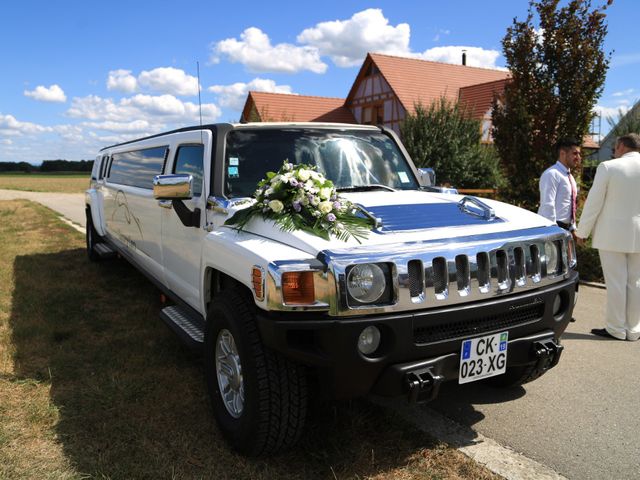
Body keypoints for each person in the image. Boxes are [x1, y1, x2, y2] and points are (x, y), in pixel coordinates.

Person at [575, 133, 640, 341]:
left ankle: (616, 329)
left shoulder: (609, 167)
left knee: (616, 282)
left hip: (612, 234)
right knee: (636, 282)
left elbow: (594, 202)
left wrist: (582, 231)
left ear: (621, 146)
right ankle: (634, 329)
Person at [538, 138, 581, 235]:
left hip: (565, 230)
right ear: (562, 154)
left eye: (579, 154)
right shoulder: (552, 174)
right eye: (575, 153)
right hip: (552, 229)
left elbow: (571, 205)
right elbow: (547, 205)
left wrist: (573, 228)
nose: (578, 157)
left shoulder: (570, 177)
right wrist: (553, 231)